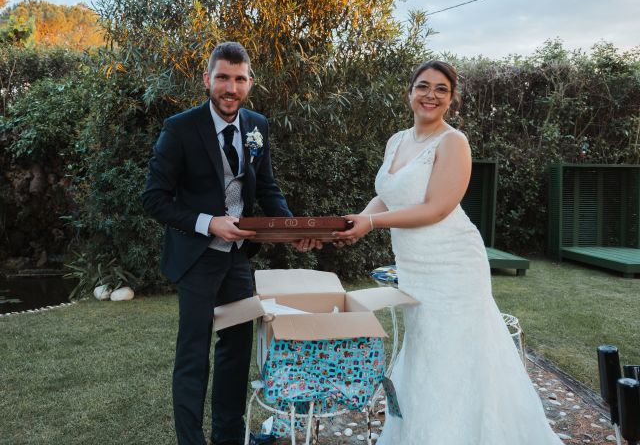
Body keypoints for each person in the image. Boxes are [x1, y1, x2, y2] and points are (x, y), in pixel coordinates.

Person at [335, 60, 563, 444]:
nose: (431, 95)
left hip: (453, 265)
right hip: (416, 267)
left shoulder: (453, 142)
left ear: (451, 99)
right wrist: (356, 221)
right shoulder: (397, 141)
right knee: (425, 351)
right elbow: (387, 194)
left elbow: (436, 208)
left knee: (454, 357)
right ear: (409, 92)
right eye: (423, 86)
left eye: (441, 89)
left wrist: (371, 225)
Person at [142, 42, 319, 445]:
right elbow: (154, 198)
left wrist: (290, 229)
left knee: (236, 353)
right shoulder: (180, 128)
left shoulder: (257, 125)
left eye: (239, 79)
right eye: (223, 77)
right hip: (196, 258)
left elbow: (268, 188)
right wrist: (209, 224)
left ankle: (228, 438)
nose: (230, 87)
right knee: (193, 356)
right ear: (207, 80)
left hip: (239, 259)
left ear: (249, 83)